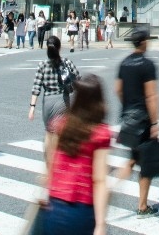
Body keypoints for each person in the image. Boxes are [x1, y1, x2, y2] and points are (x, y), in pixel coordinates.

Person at [44, 74, 110, 234]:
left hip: (54, 205)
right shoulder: (100, 133)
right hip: (81, 208)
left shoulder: (60, 125)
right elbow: (99, 180)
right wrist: (100, 224)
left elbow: (50, 160)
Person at [115, 29, 159, 218]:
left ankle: (108, 189)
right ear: (142, 43)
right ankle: (142, 205)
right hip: (143, 119)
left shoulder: (124, 63)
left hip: (128, 117)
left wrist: (127, 106)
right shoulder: (147, 65)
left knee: (133, 158)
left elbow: (118, 89)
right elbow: (151, 95)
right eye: (147, 40)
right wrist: (155, 122)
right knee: (146, 162)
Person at [29, 35, 81, 150]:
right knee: (59, 131)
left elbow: (36, 87)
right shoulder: (66, 63)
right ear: (60, 48)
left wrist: (32, 107)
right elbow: (78, 80)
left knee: (49, 131)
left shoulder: (42, 65)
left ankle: (49, 161)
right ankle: (57, 160)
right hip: (62, 100)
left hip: (48, 101)